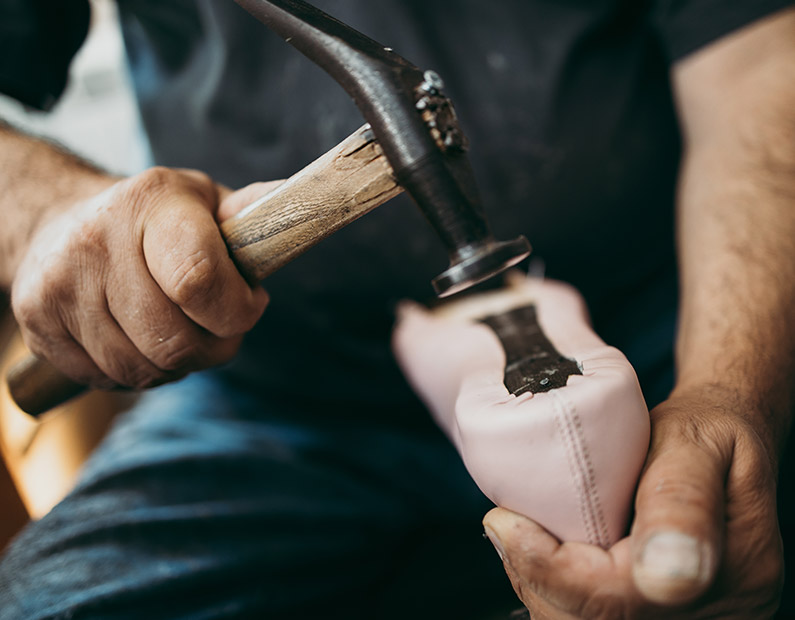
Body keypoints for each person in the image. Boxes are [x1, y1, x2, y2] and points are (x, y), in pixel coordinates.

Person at [1, 0, 793, 617]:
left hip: (677, 341)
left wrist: (729, 390)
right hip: (275, 396)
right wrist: (47, 211)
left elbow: (759, 67)